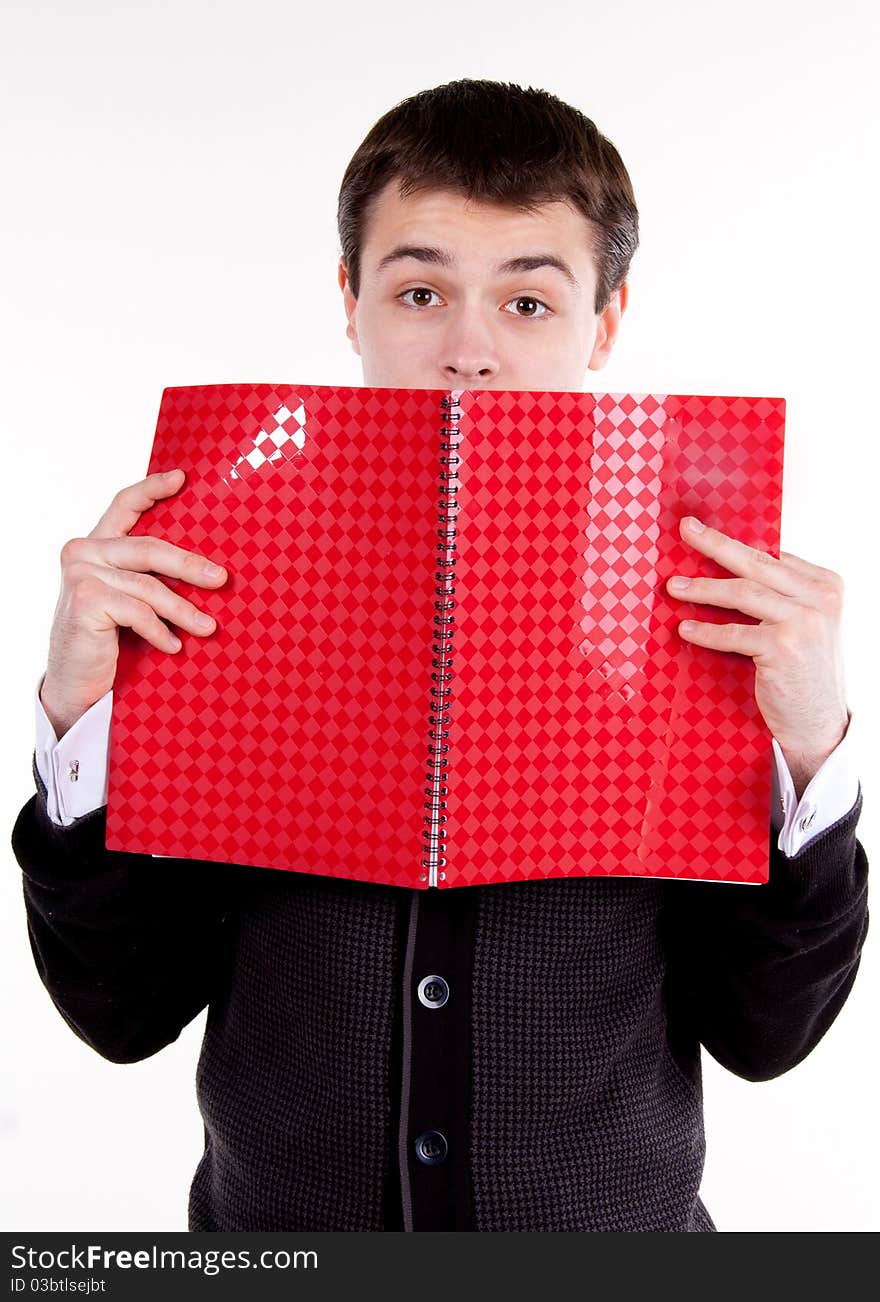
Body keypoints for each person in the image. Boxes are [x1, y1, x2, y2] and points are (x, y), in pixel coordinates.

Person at [11, 78, 868, 1233]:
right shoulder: (211, 591)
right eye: (420, 291)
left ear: (602, 325)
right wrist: (81, 717)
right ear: (351, 304)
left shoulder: (706, 617)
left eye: (526, 303)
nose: (467, 353)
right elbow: (120, 1015)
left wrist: (811, 749)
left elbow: (769, 1037)